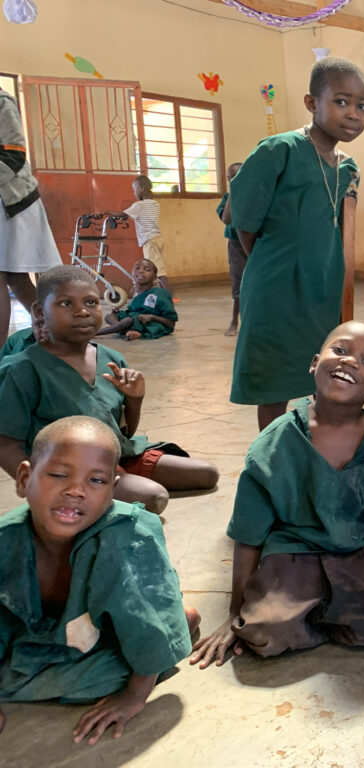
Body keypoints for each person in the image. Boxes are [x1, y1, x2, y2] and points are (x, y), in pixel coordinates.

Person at [190, 322, 364, 666]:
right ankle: (324, 612)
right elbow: (249, 536)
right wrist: (234, 610)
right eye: (340, 350)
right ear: (315, 362)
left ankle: (319, 614)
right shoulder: (275, 443)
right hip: (293, 550)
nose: (350, 362)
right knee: (262, 631)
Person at [0, 416, 199, 744]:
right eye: (58, 474)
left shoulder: (128, 540)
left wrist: (134, 696)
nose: (75, 490)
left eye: (96, 481)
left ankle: (177, 627)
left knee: (108, 676)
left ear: (112, 492)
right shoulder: (8, 538)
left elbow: (143, 621)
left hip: (124, 627)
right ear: (24, 478)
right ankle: (175, 632)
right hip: (55, 634)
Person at [0, 266, 219, 515]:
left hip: (118, 453)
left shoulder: (111, 358)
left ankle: (119, 479)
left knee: (207, 474)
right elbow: (5, 443)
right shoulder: (23, 368)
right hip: (72, 468)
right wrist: (38, 485)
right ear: (40, 310)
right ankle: (108, 484)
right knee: (153, 497)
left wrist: (135, 399)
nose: (82, 311)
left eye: (90, 302)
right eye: (66, 304)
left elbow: (124, 431)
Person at [230, 57, 364, 432]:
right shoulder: (279, 150)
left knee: (320, 375)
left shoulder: (348, 167)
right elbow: (243, 220)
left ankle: (311, 452)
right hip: (276, 286)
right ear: (312, 102)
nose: (352, 113)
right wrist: (275, 264)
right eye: (341, 101)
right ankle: (272, 459)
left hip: (323, 288)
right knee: (274, 382)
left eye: (362, 105)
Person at [0, 85, 62, 344]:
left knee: (7, 275)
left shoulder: (2, 100)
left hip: (11, 199)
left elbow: (13, 154)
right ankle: (58, 337)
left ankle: (3, 353)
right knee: (15, 277)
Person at [95, 258, 176, 340]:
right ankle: (125, 330)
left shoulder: (161, 294)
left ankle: (95, 333)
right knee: (109, 316)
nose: (140, 271)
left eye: (147, 269)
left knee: (127, 321)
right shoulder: (133, 291)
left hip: (151, 323)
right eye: (137, 268)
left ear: (155, 277)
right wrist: (118, 312)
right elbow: (134, 311)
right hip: (134, 320)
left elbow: (171, 323)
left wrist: (152, 317)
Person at [121, 175, 173, 296]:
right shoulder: (155, 204)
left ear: (142, 188)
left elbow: (122, 214)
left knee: (157, 270)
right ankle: (160, 293)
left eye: (135, 190)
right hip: (158, 238)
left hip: (149, 241)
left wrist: (107, 213)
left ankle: (171, 295)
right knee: (156, 268)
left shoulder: (139, 205)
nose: (134, 194)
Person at [217, 162, 244, 336]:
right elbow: (226, 218)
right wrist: (234, 191)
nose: (232, 181)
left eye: (236, 177)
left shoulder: (256, 195)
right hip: (236, 244)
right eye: (229, 179)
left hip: (258, 244)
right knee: (238, 284)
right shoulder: (228, 198)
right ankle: (234, 321)